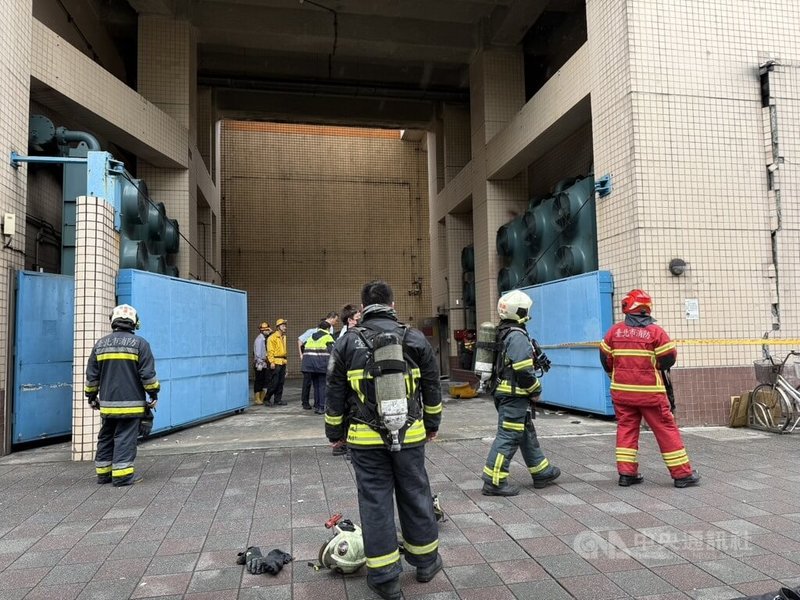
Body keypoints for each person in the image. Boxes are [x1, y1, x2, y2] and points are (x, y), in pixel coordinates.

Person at [325, 280, 443, 600]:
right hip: (411, 435)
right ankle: (426, 561)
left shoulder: (347, 342)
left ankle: (386, 578)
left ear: (362, 309)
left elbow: (334, 393)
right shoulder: (415, 338)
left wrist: (334, 433)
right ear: (392, 305)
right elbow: (432, 387)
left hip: (364, 439)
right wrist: (432, 424)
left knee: (375, 501)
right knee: (416, 493)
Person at [599, 289, 701, 488]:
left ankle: (626, 474)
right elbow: (668, 359)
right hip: (650, 394)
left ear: (627, 307)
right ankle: (682, 475)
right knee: (665, 430)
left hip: (621, 392)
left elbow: (605, 359)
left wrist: (615, 375)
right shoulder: (656, 332)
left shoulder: (614, 331)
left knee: (626, 429)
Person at [481, 289, 561, 496]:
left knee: (525, 432)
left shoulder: (505, 331)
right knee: (508, 436)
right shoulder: (516, 336)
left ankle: (541, 471)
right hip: (513, 396)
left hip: (507, 394)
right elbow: (523, 370)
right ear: (520, 311)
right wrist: (535, 390)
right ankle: (494, 481)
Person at [84, 304, 160, 487]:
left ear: (113, 321)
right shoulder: (141, 344)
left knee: (106, 436)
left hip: (108, 404)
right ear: (134, 322)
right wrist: (154, 393)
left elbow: (92, 376)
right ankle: (123, 476)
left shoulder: (100, 344)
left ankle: (104, 474)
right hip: (132, 404)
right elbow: (148, 376)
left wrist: (91, 397)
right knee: (125, 438)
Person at [298, 312, 340, 410]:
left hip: (308, 365)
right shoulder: (327, 337)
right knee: (322, 386)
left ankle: (317, 405)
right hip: (320, 365)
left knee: (316, 385)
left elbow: (303, 345)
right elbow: (333, 352)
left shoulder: (312, 336)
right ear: (328, 328)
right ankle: (321, 407)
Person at [266, 318, 288, 406]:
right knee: (274, 382)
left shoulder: (283, 337)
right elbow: (270, 351)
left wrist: (286, 363)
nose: (285, 327)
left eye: (285, 325)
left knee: (281, 382)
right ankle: (267, 398)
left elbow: (284, 352)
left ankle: (277, 400)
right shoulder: (272, 338)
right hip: (275, 362)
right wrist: (271, 361)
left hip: (282, 361)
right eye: (283, 325)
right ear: (278, 327)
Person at [253, 321, 272, 405]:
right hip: (260, 363)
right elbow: (257, 353)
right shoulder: (259, 340)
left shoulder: (264, 339)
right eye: (266, 330)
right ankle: (257, 398)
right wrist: (260, 362)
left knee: (265, 381)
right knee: (259, 381)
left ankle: (261, 398)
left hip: (264, 363)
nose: (268, 331)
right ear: (262, 331)